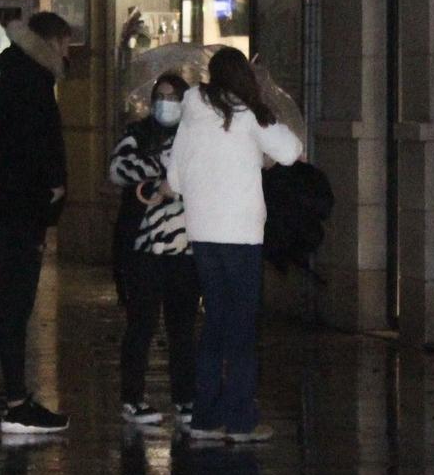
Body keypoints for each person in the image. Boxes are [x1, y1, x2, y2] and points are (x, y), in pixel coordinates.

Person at [166, 46, 302, 443]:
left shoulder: (191, 114)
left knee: (213, 323)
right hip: (241, 234)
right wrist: (265, 111)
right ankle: (241, 419)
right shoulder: (249, 114)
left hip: (203, 233)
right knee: (241, 327)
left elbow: (174, 178)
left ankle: (205, 418)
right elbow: (291, 152)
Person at [0, 11, 73, 434]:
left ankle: (17, 397)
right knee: (17, 302)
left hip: (8, 207)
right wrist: (51, 188)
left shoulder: (11, 77)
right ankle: (16, 404)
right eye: (66, 44)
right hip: (23, 210)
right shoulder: (33, 84)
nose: (68, 53)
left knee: (14, 302)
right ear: (51, 43)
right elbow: (38, 148)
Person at [107, 72, 198, 426]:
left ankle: (186, 398)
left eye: (173, 96)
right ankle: (132, 398)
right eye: (160, 95)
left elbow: (201, 177)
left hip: (186, 250)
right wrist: (164, 165)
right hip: (144, 249)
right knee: (141, 324)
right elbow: (118, 169)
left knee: (183, 327)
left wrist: (176, 176)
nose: (166, 102)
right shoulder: (137, 134)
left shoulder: (195, 137)